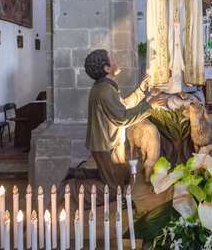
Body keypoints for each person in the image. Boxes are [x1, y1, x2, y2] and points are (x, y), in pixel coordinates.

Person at [62, 49, 166, 205]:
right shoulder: (104, 90)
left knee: (121, 176)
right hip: (106, 145)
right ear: (107, 68)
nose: (116, 61)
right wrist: (148, 106)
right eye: (112, 60)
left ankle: (76, 173)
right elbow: (123, 118)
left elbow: (121, 106)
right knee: (112, 190)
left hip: (110, 143)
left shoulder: (105, 87)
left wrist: (140, 91)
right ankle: (74, 189)